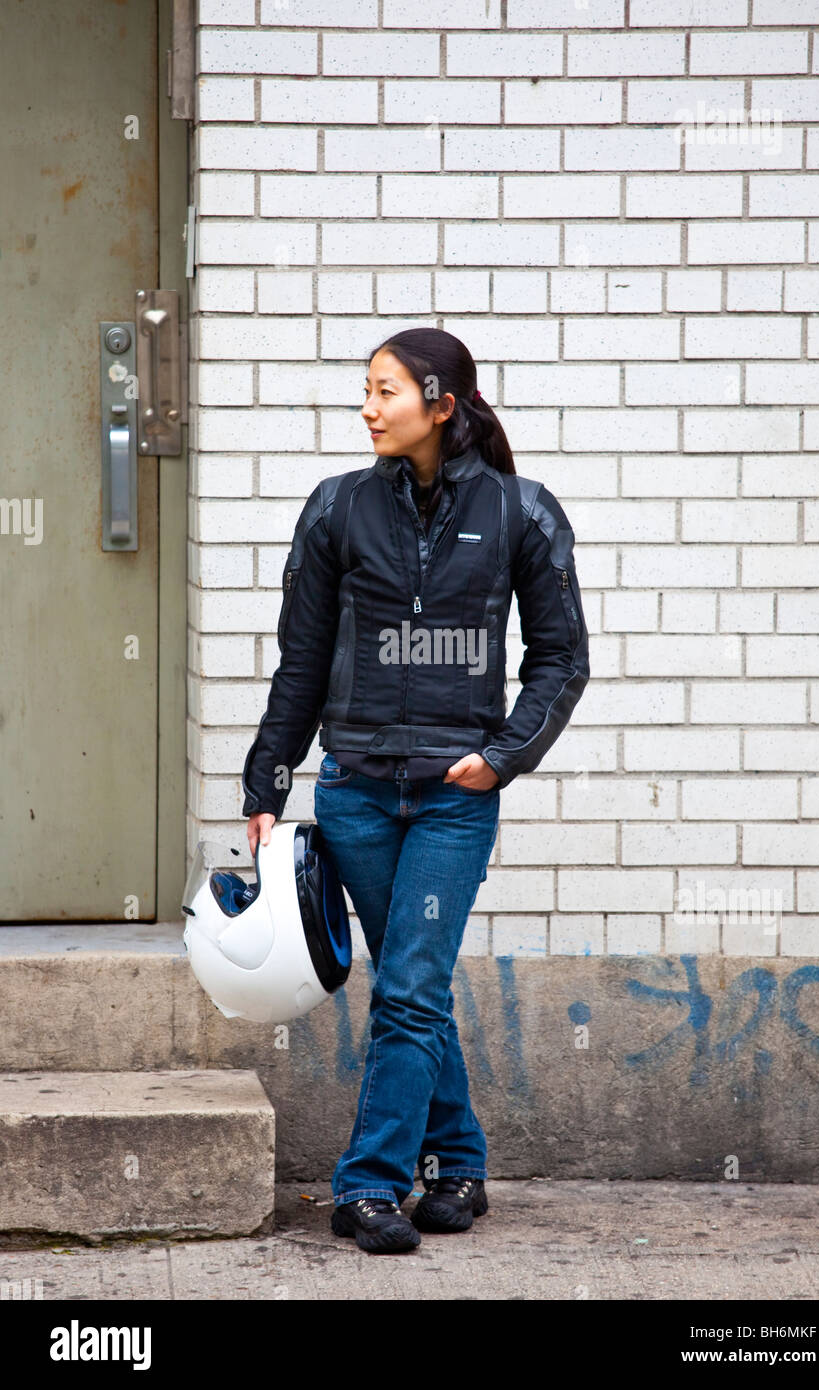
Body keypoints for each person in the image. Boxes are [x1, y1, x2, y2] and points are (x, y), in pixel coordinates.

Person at [243, 327, 590, 1254]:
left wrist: (504, 756)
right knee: (415, 988)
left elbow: (562, 659)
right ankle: (461, 1160)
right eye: (365, 389)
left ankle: (366, 1187)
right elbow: (302, 663)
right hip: (356, 793)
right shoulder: (336, 509)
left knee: (406, 986)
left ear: (441, 405)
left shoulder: (522, 511)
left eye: (385, 391)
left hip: (451, 797)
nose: (367, 407)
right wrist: (268, 778)